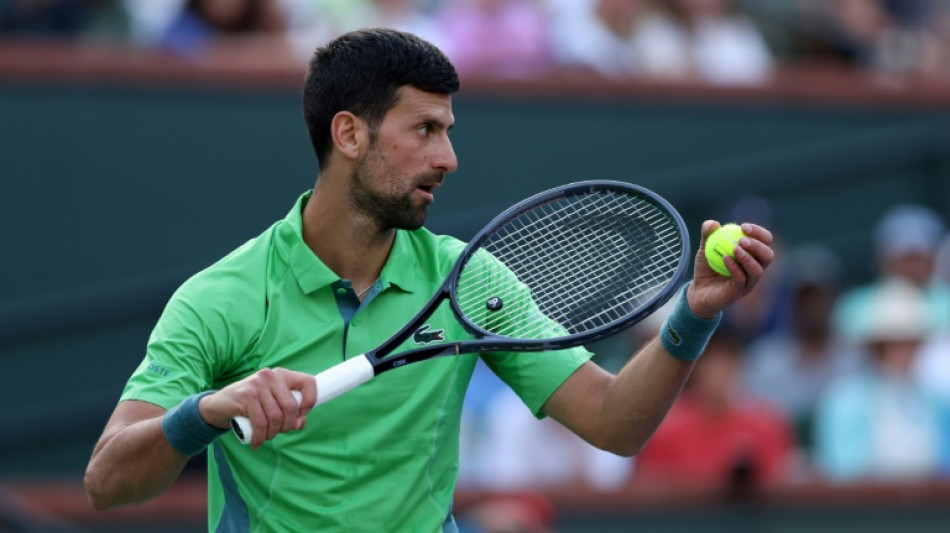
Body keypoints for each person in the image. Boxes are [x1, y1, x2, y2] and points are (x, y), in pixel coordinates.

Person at [82, 28, 775, 532]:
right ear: (349, 134)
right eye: (425, 129)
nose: (448, 157)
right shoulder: (221, 298)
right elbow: (108, 481)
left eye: (448, 129)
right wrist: (205, 410)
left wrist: (695, 313)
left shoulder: (469, 280)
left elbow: (614, 420)